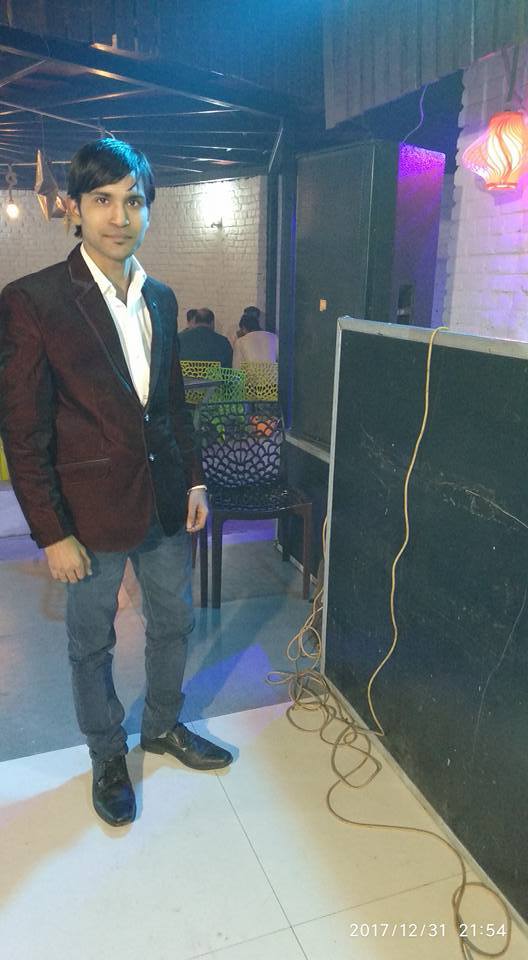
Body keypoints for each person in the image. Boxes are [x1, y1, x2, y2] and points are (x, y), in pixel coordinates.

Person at [0, 138, 232, 829]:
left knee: (174, 621)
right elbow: (23, 431)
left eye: (134, 200)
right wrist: (51, 533)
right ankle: (107, 753)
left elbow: (172, 404)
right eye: (102, 199)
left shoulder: (161, 296)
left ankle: (161, 725)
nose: (119, 216)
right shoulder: (34, 299)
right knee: (91, 642)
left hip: (164, 502)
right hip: (87, 514)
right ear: (74, 208)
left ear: (149, 210)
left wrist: (194, 483)